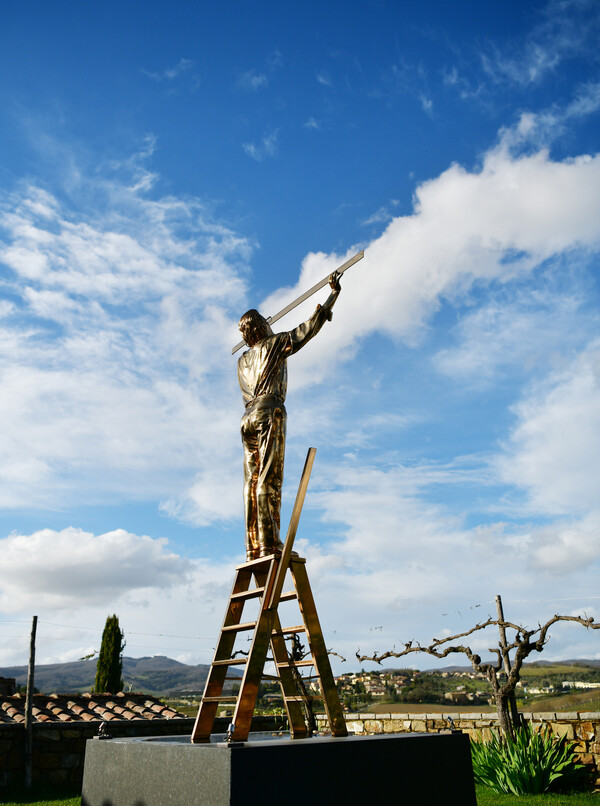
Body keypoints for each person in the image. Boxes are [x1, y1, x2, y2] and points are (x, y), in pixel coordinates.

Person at [237, 271, 342, 561]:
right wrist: (331, 297)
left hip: (247, 418)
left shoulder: (242, 360)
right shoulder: (273, 345)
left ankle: (252, 545)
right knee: (268, 478)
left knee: (251, 481)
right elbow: (305, 331)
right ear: (260, 328)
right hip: (269, 411)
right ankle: (270, 543)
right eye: (265, 323)